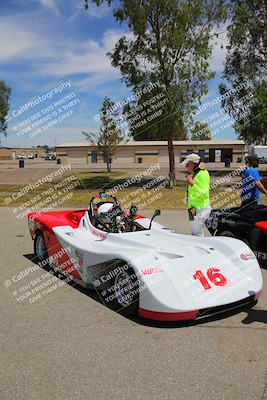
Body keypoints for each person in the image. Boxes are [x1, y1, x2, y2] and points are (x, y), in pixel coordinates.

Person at [181, 153, 211, 237]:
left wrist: (192, 184)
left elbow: (204, 193)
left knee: (197, 236)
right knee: (195, 234)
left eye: (187, 164)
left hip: (200, 209)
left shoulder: (203, 174)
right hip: (193, 209)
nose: (186, 167)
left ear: (193, 163)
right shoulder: (196, 173)